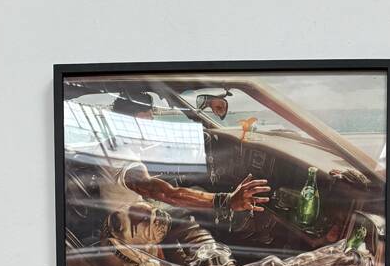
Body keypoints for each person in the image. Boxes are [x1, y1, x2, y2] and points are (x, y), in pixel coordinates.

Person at [98, 90, 270, 230]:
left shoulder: (119, 142)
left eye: (151, 118)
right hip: (135, 225)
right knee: (204, 239)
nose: (151, 123)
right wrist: (226, 200)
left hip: (137, 211)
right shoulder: (119, 154)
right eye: (145, 119)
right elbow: (157, 191)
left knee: (195, 188)